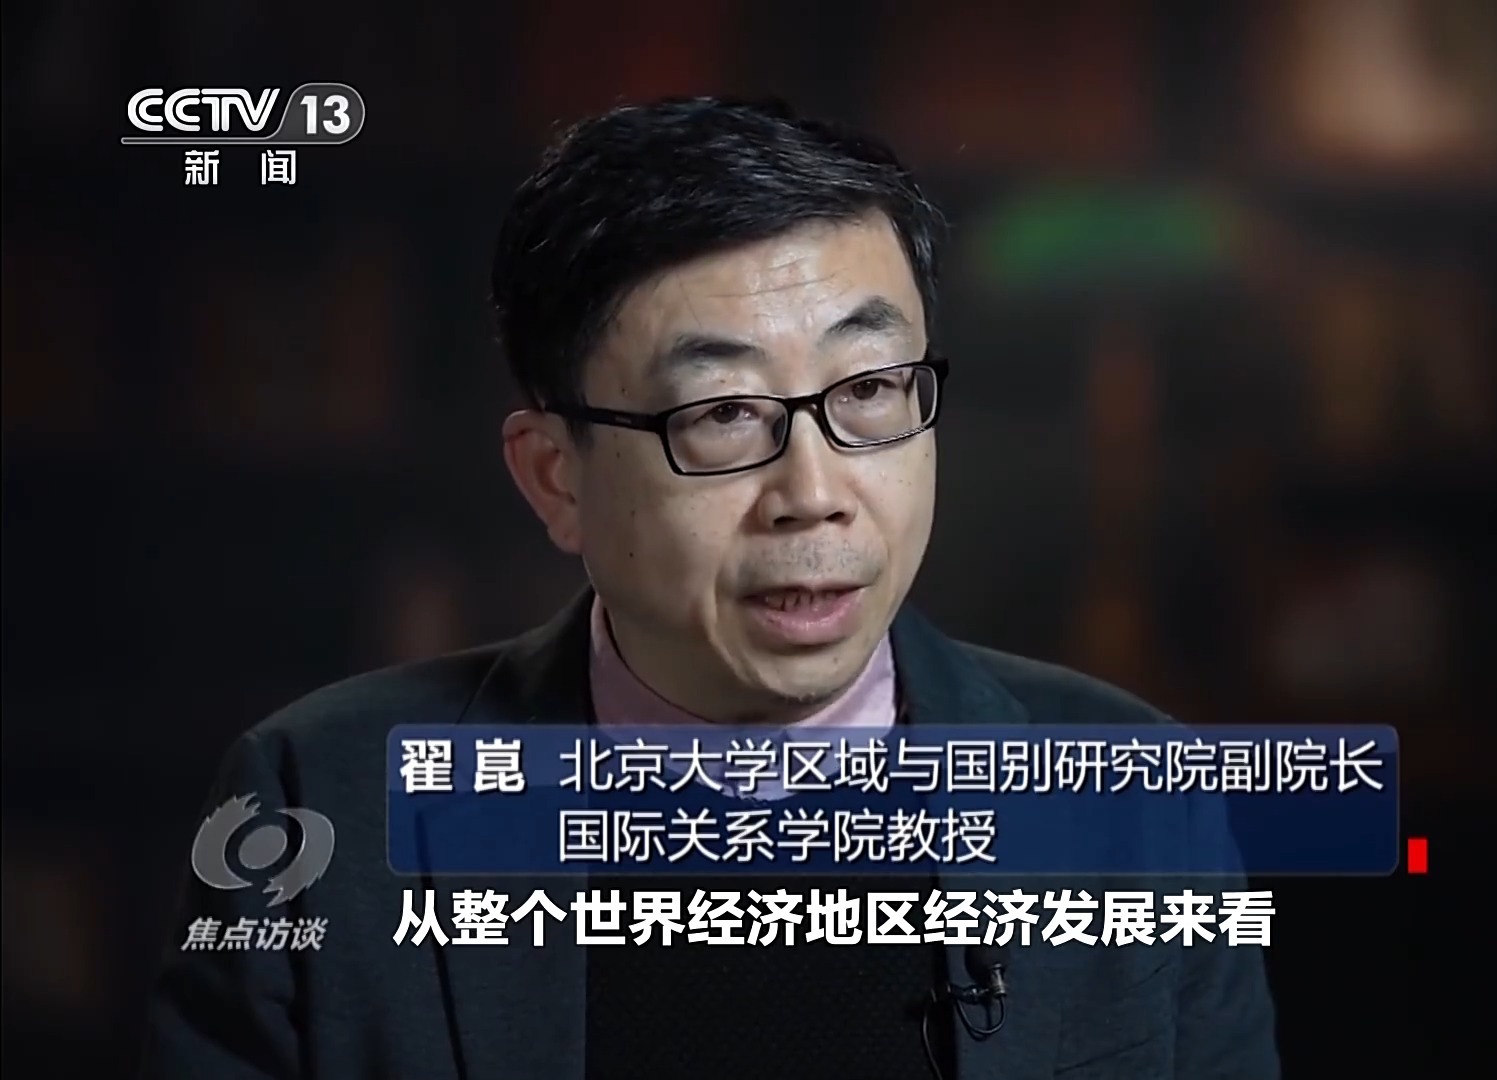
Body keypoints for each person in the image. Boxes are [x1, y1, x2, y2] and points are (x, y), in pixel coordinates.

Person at [138, 96, 1280, 1080]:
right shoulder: (319, 804)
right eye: (724, 413)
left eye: (869, 390)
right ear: (556, 477)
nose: (814, 494)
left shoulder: (1138, 801)